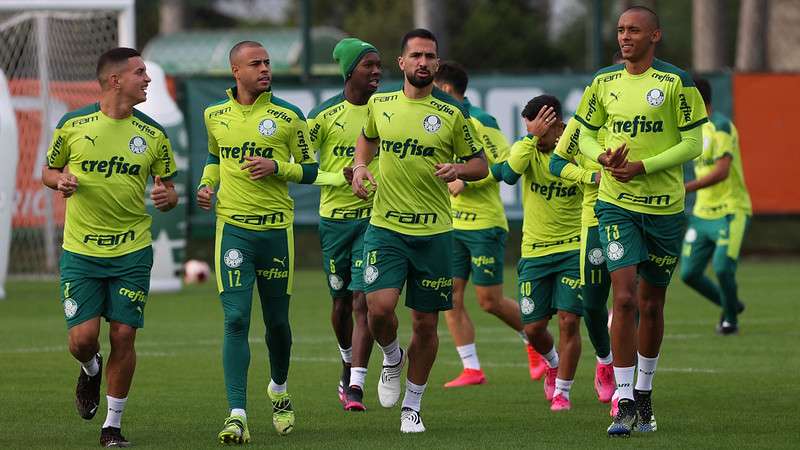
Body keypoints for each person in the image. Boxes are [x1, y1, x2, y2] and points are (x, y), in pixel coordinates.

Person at [197, 40, 345, 443]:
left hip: (277, 231)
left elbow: (311, 170)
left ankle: (278, 390)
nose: (265, 69)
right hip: (233, 230)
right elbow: (214, 159)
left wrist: (277, 166)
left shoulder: (289, 116)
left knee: (277, 324)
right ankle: (237, 414)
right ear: (235, 71)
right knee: (236, 318)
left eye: (267, 62)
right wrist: (207, 186)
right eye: (255, 63)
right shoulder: (214, 115)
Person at [574, 6, 707, 436]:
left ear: (655, 35)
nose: (625, 36)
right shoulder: (603, 81)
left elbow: (693, 144)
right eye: (620, 30)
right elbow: (586, 134)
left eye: (633, 30)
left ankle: (646, 395)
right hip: (616, 204)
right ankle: (625, 399)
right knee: (625, 297)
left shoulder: (676, 82)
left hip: (665, 209)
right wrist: (602, 157)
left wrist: (645, 166)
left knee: (651, 304)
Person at [350, 28, 488, 433]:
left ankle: (413, 405)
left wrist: (459, 169)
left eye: (430, 56)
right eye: (416, 56)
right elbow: (366, 139)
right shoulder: (381, 103)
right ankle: (392, 358)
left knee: (426, 325)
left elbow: (480, 164)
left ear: (437, 63)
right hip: (385, 227)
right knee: (378, 309)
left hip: (434, 234)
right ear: (402, 63)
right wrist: (360, 167)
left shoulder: (452, 113)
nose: (424, 62)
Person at [42, 47, 178, 447]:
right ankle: (89, 369)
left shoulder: (154, 134)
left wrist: (168, 197)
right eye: (140, 73)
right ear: (115, 80)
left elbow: (167, 187)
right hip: (82, 251)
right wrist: (59, 181)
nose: (148, 79)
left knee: (123, 334)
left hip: (132, 250)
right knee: (82, 340)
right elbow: (48, 171)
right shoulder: (73, 124)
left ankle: (112, 427)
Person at [432, 61, 546, 387]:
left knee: (489, 301)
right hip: (451, 225)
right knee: (449, 297)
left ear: (447, 88)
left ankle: (534, 341)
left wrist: (466, 181)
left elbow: (504, 165)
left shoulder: (482, 121)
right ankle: (471, 368)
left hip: (484, 224)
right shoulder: (439, 120)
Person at [492, 95, 586, 412]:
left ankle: (563, 392)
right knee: (533, 328)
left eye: (541, 128)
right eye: (530, 127)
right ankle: (552, 361)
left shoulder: (577, 144)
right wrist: (532, 137)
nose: (534, 133)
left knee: (569, 321)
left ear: (558, 123)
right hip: (534, 252)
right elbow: (507, 175)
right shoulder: (528, 146)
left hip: (573, 248)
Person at [306, 37, 382, 410]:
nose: (377, 71)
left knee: (362, 300)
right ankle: (346, 355)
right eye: (369, 65)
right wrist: (339, 177)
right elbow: (302, 169)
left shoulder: (387, 110)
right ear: (350, 71)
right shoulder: (322, 116)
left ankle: (356, 382)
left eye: (379, 65)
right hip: (334, 222)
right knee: (339, 303)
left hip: (374, 219)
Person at [549, 110, 617, 408]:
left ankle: (629, 389)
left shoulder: (639, 116)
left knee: (633, 298)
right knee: (591, 303)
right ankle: (605, 361)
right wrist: (590, 176)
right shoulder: (583, 122)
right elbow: (557, 162)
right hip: (595, 219)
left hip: (638, 215)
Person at [680, 78, 750, 335]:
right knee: (688, 273)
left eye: (685, 98)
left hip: (730, 211)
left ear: (697, 100)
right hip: (702, 214)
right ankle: (730, 303)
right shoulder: (690, 130)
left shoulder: (721, 126)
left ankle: (730, 319)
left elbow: (721, 172)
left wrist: (685, 188)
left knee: (722, 267)